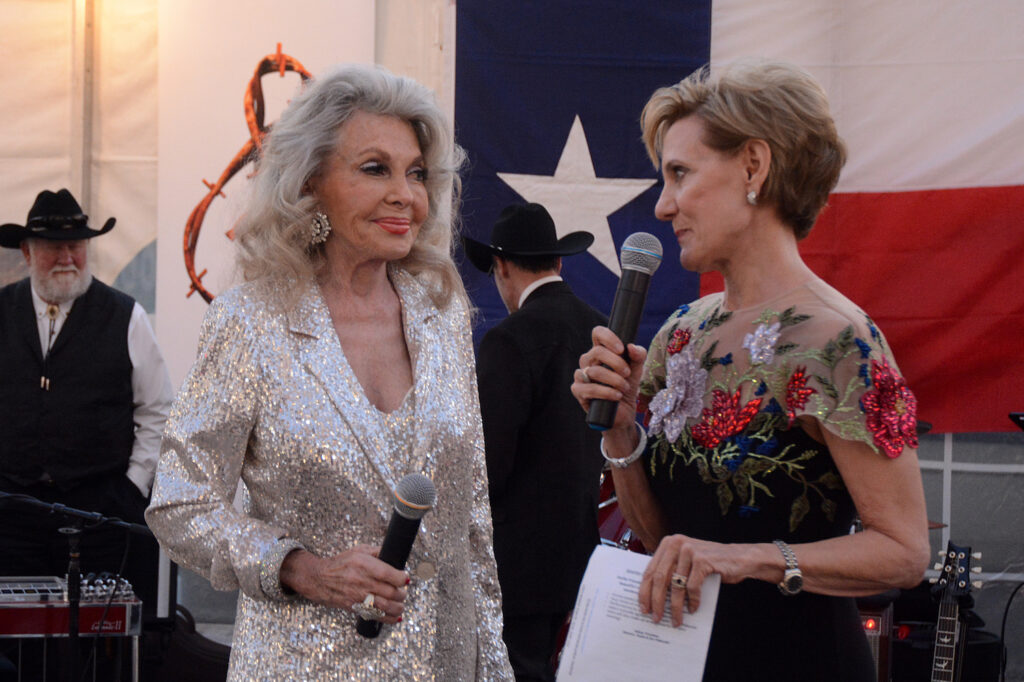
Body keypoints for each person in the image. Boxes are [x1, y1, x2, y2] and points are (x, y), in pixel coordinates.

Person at [144, 64, 513, 681]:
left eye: (416, 173)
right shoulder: (250, 322)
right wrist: (301, 569)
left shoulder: (442, 317)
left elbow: (473, 526)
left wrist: (494, 670)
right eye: (375, 169)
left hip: (444, 663)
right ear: (311, 182)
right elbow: (181, 504)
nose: (405, 195)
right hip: (301, 665)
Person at [570, 61, 930, 681]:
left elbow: (904, 552)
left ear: (753, 167)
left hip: (801, 663)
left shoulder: (839, 342)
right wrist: (622, 431)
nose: (663, 206)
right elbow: (662, 540)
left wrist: (748, 559)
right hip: (682, 662)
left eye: (680, 173)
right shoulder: (681, 333)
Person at [0, 189, 172, 677]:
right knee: (16, 644)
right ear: (27, 251)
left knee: (98, 648)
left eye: (76, 245)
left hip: (98, 515)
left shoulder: (125, 316)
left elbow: (158, 410)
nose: (67, 257)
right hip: (12, 513)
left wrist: (132, 487)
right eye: (53, 246)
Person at [463, 202, 608, 681]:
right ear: (558, 261)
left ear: (502, 266)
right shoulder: (601, 328)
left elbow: (489, 466)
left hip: (516, 569)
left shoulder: (507, 339)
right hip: (582, 558)